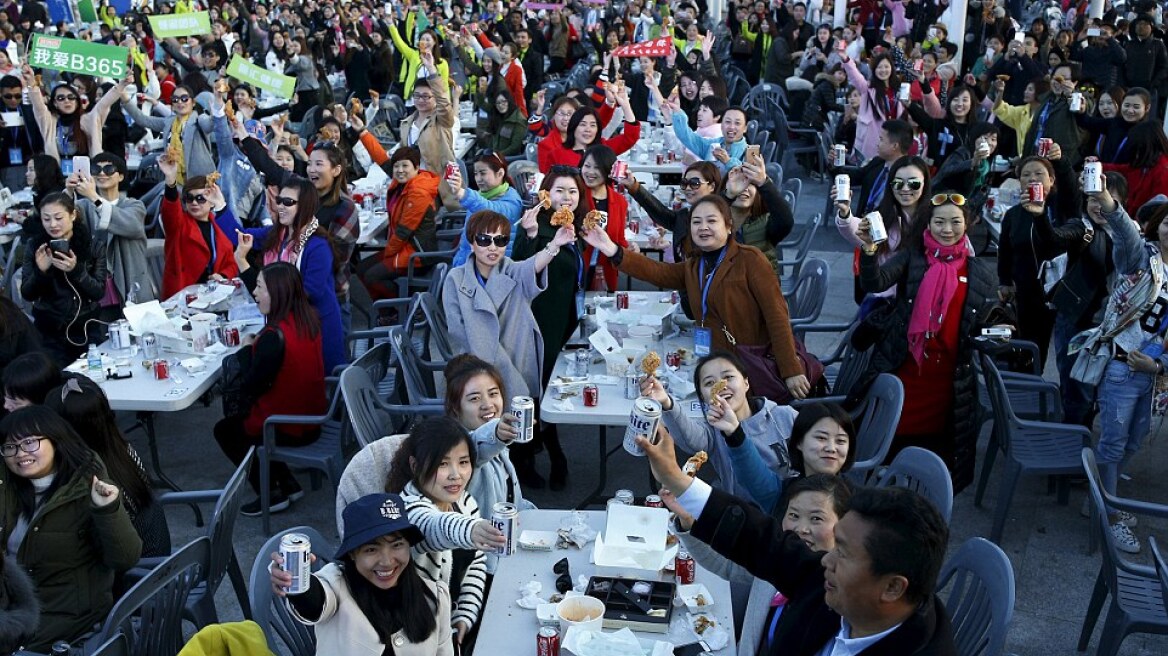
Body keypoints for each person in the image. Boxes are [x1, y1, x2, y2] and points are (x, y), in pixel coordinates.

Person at [639, 426, 955, 656]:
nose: (826, 560)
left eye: (843, 553)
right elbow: (764, 540)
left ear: (893, 587)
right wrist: (679, 482)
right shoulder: (841, 589)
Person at [583, 194, 811, 403]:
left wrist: (790, 370)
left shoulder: (750, 260)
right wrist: (611, 249)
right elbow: (658, 272)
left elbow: (777, 317)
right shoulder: (696, 264)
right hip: (713, 359)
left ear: (729, 226)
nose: (703, 227)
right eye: (696, 222)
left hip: (748, 363)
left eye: (712, 221)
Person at [855, 192, 999, 492]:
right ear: (928, 224)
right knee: (891, 439)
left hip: (947, 381)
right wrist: (869, 252)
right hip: (906, 370)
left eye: (955, 222)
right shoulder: (913, 257)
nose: (947, 230)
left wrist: (997, 330)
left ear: (967, 225)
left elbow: (985, 321)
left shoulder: (979, 273)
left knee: (935, 451)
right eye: (940, 222)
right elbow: (876, 282)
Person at [0, 406, 142, 652]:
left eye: (30, 443)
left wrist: (107, 510)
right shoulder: (7, 486)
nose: (20, 453)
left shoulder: (88, 486)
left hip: (66, 616)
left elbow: (126, 558)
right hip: (11, 603)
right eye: (10, 447)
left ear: (56, 440)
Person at [667, 473, 852, 656]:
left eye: (816, 519)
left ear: (844, 526)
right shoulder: (773, 563)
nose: (801, 529)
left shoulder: (840, 597)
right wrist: (688, 522)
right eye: (794, 515)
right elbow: (723, 565)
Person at [1080, 176, 1168, 554]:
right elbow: (1122, 230)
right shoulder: (1141, 258)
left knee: (1136, 440)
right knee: (1114, 443)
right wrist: (1105, 199)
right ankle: (1110, 515)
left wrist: (1159, 363)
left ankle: (1097, 496)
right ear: (1157, 225)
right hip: (1121, 368)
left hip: (1156, 376)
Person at [271, 493, 454, 656]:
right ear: (352, 553)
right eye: (371, 549)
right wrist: (293, 580)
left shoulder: (436, 596)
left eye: (397, 545)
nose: (386, 561)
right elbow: (313, 600)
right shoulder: (336, 584)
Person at [213, 262, 327, 516]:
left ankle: (271, 493)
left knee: (226, 430)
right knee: (246, 419)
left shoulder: (274, 336)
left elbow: (251, 383)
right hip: (313, 415)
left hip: (288, 425)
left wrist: (244, 349)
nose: (254, 292)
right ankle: (287, 483)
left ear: (278, 293)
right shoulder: (308, 318)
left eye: (260, 287)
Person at [509, 167, 589, 489]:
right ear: (546, 193)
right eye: (559, 191)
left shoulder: (573, 227)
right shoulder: (534, 226)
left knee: (548, 389)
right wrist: (530, 238)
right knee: (536, 392)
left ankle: (544, 454)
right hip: (537, 324)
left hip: (563, 319)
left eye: (572, 192)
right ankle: (537, 460)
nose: (566, 197)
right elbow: (518, 273)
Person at [444, 209, 572, 406]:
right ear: (471, 243)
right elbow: (456, 330)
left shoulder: (510, 268)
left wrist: (555, 244)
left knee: (521, 421)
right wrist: (486, 352)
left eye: (500, 240)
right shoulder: (455, 278)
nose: (493, 247)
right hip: (475, 365)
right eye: (484, 240)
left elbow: (532, 266)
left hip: (515, 357)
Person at [639, 350, 799, 506]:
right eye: (709, 383)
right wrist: (666, 402)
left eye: (728, 377)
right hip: (744, 516)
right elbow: (690, 438)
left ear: (746, 382)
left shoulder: (784, 416)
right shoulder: (714, 430)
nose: (721, 386)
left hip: (791, 508)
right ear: (703, 397)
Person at [385, 418, 489, 651]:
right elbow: (433, 527)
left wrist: (465, 615)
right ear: (414, 466)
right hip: (415, 636)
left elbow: (476, 564)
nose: (456, 475)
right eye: (442, 464)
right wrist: (472, 530)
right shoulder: (406, 509)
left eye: (463, 462)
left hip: (451, 626)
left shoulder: (465, 502)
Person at [223, 176, 346, 373]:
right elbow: (238, 235)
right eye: (279, 200)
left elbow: (309, 293)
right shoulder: (277, 235)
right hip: (284, 327)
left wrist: (265, 295)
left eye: (288, 202)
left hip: (315, 331)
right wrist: (219, 205)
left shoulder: (318, 246)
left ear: (305, 206)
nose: (280, 206)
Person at [45, 377, 170, 558]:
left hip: (136, 572)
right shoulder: (120, 449)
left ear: (67, 430)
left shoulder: (90, 481)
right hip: (156, 556)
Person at [20, 193, 108, 366]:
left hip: (85, 327)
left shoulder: (92, 245)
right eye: (46, 219)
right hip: (49, 330)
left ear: (73, 215)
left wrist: (76, 271)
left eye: (58, 218)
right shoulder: (36, 246)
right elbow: (27, 294)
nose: (53, 224)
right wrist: (41, 272)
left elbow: (99, 292)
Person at [836, 155, 931, 304]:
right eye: (898, 183)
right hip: (885, 300)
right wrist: (845, 212)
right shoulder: (883, 215)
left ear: (925, 184)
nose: (905, 189)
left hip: (922, 301)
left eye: (913, 183)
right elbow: (857, 228)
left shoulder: (935, 218)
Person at [67, 152, 154, 307]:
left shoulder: (134, 205)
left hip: (130, 280)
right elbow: (62, 217)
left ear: (120, 176)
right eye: (95, 169)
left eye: (109, 169)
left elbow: (131, 225)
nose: (101, 173)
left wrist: (93, 196)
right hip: (97, 285)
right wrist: (68, 191)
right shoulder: (84, 207)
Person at [356, 147, 439, 304]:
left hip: (417, 254)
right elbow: (383, 161)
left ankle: (403, 307)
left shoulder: (418, 192)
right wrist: (362, 132)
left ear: (416, 167)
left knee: (371, 275)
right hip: (404, 248)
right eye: (397, 166)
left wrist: (387, 254)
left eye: (405, 166)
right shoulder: (404, 182)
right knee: (361, 268)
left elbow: (402, 232)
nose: (400, 170)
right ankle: (387, 307)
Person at [157, 154, 240, 299]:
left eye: (201, 198)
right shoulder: (179, 224)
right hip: (182, 295)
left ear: (212, 201)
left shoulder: (221, 226)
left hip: (213, 295)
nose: (194, 203)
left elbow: (231, 263)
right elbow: (170, 211)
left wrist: (222, 275)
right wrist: (170, 180)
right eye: (189, 198)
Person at [120, 81, 217, 184]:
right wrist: (124, 97)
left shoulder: (199, 119)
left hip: (199, 182)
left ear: (193, 103)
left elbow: (209, 125)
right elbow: (143, 120)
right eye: (175, 99)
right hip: (175, 181)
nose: (180, 102)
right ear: (173, 105)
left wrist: (215, 112)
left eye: (184, 99)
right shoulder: (168, 122)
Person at [449, 152, 524, 268]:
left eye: (483, 173)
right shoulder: (482, 195)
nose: (478, 179)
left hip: (493, 269)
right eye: (475, 174)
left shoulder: (513, 201)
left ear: (500, 173)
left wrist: (461, 193)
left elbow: (490, 210)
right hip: (467, 262)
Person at [723, 157, 795, 276]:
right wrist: (729, 195)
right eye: (740, 182)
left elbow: (786, 221)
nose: (744, 188)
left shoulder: (765, 224)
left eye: (751, 184)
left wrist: (763, 182)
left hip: (756, 290)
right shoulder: (716, 221)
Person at [579, 144, 632, 291]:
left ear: (608, 171)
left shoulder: (619, 201)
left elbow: (619, 239)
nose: (590, 172)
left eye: (597, 168)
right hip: (578, 267)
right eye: (587, 166)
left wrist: (629, 250)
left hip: (605, 270)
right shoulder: (575, 195)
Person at [842, 52, 907, 160]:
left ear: (892, 68)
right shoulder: (868, 88)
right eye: (879, 67)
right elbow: (855, 76)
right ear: (874, 70)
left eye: (886, 66)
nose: (883, 70)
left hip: (893, 137)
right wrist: (846, 59)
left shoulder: (898, 88)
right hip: (873, 138)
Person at [1103, 121, 1168, 215]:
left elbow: (1157, 209)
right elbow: (1125, 169)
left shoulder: (1163, 170)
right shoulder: (1147, 163)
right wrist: (1097, 166)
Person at [1074, 86, 1152, 163]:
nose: (1130, 110)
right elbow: (1087, 122)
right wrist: (1081, 111)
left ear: (1147, 108)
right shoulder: (1114, 123)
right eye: (1127, 105)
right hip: (1106, 174)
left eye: (1136, 107)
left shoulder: (1149, 132)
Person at [0, 74, 42, 192]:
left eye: (17, 96)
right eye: (8, 96)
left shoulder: (28, 108)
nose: (13, 100)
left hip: (28, 160)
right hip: (5, 164)